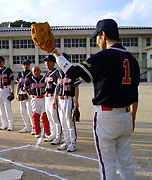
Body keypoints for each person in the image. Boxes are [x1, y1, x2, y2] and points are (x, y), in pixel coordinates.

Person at [51, 19, 139, 180]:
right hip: (126, 116)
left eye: (97, 38)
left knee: (107, 166)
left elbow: (74, 72)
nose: (97, 42)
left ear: (103, 35)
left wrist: (55, 53)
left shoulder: (105, 55)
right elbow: (135, 95)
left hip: (106, 117)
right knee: (126, 165)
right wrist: (131, 118)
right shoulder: (133, 60)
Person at [53, 52, 81, 152]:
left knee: (70, 122)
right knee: (63, 122)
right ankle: (67, 141)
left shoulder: (72, 71)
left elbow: (76, 86)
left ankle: (73, 143)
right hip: (60, 100)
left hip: (69, 99)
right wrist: (55, 99)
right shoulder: (57, 73)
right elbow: (57, 87)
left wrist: (76, 100)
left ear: (67, 61)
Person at [24, 66, 50, 138]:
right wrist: (29, 94)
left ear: (40, 71)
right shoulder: (29, 79)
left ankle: (47, 131)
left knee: (45, 115)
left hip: (43, 98)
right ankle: (37, 131)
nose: (36, 72)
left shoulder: (44, 79)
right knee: (35, 116)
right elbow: (25, 87)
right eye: (34, 71)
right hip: (35, 99)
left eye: (37, 70)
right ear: (32, 72)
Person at [43, 55, 62, 145]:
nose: (47, 63)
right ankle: (53, 134)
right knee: (50, 118)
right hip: (46, 97)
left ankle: (58, 137)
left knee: (55, 118)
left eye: (49, 61)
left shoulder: (56, 73)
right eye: (46, 61)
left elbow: (57, 87)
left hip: (52, 97)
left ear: (54, 62)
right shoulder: (47, 73)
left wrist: (55, 99)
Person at [0, 56, 14, 131]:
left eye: (1, 61)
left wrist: (12, 91)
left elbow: (11, 80)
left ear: (4, 62)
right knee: (1, 108)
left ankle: (11, 124)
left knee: (7, 108)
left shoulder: (8, 70)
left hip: (6, 89)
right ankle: (4, 124)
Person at [15, 59, 35, 134]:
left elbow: (33, 85)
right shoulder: (20, 74)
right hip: (22, 93)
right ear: (22, 65)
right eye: (24, 64)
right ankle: (27, 126)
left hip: (29, 94)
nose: (25, 65)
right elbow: (18, 84)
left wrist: (29, 94)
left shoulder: (31, 73)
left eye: (27, 64)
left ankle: (34, 127)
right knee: (22, 111)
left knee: (30, 111)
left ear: (29, 65)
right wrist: (17, 94)